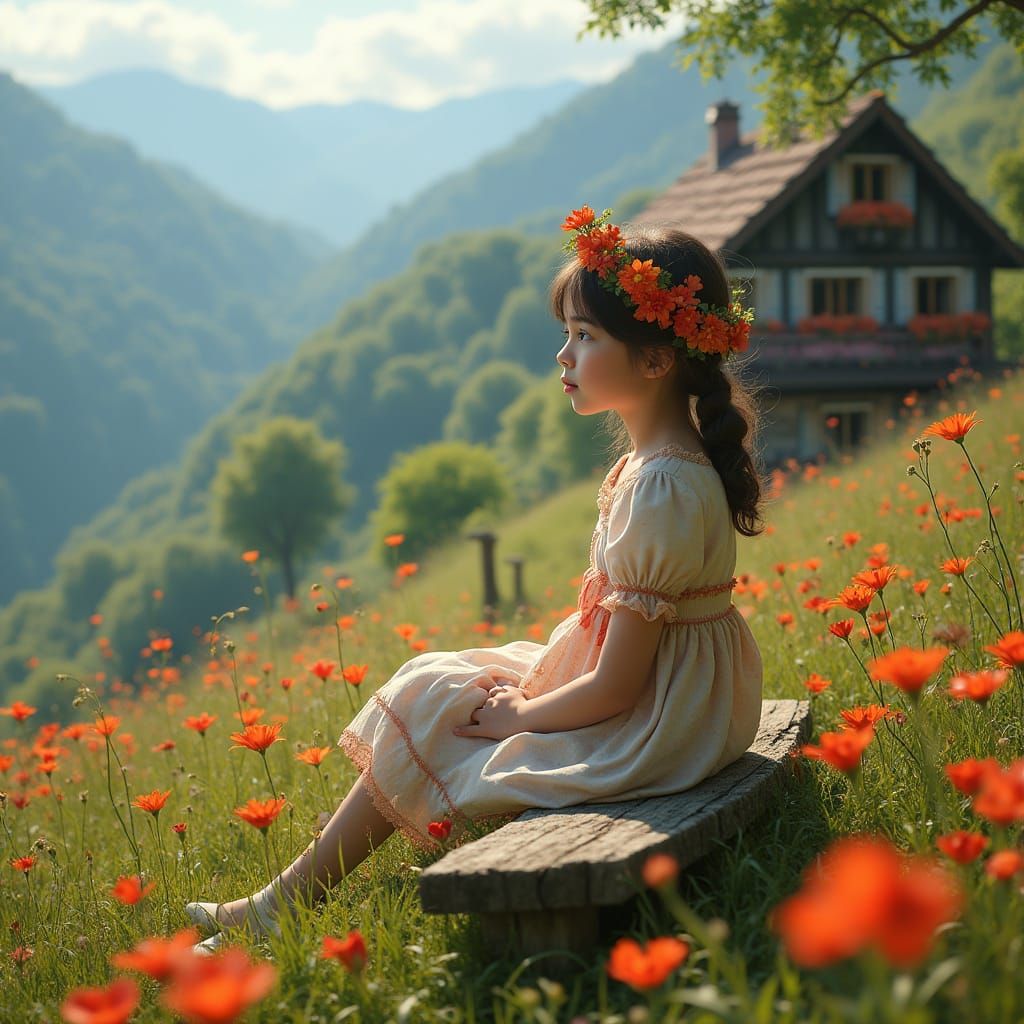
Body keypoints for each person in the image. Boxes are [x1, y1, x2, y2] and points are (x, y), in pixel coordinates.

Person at [185, 206, 765, 952]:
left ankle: (282, 904)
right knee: (438, 682)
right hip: (667, 696)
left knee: (448, 704)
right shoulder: (658, 468)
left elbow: (618, 688)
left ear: (656, 360)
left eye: (585, 337)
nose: (563, 355)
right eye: (568, 333)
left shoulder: (663, 487)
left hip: (658, 722)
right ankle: (281, 899)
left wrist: (520, 715)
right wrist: (526, 695)